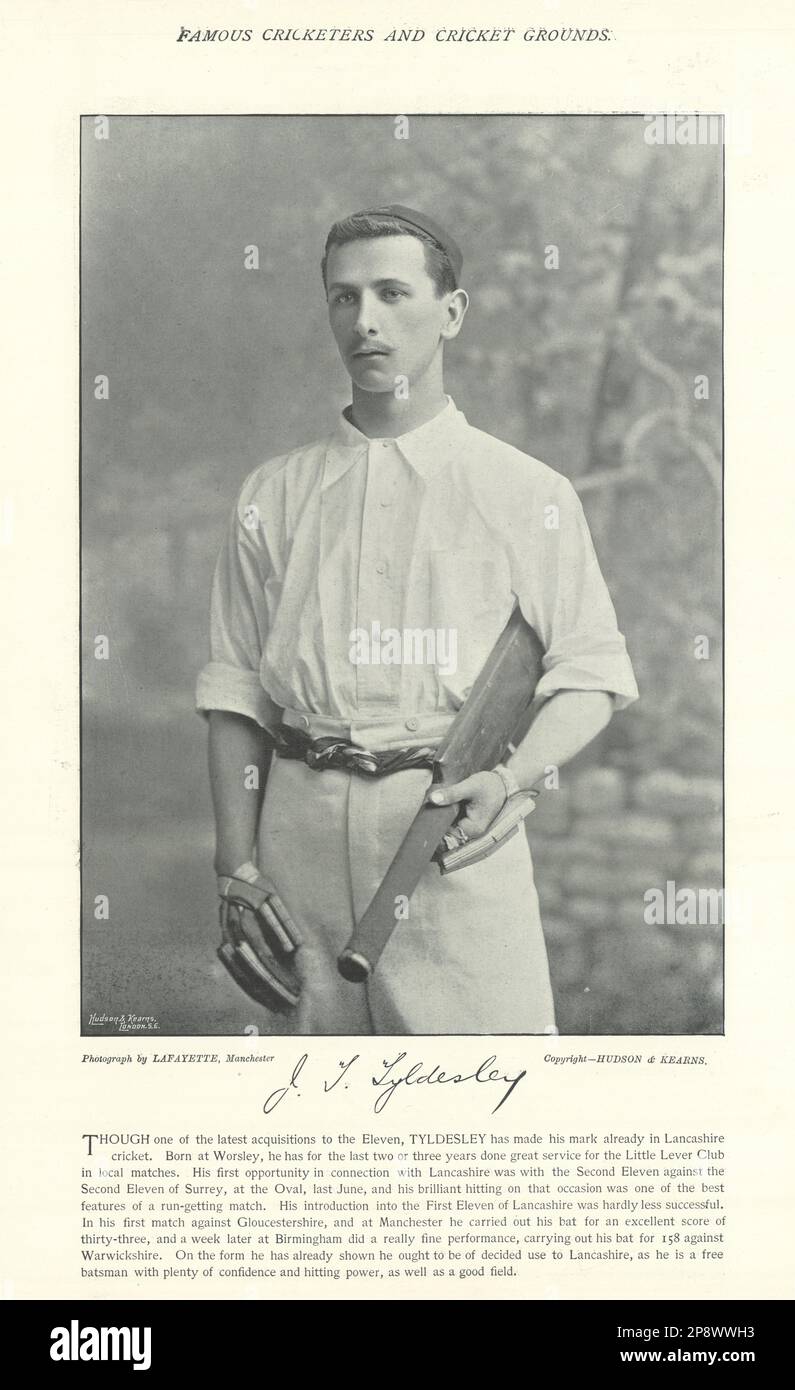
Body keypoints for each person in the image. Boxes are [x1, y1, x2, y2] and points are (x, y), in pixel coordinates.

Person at [195, 204, 639, 1035]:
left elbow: (590, 672)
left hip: (447, 834)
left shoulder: (525, 492)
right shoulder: (271, 494)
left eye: (393, 293)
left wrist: (508, 780)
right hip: (296, 840)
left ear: (451, 312)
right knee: (308, 1121)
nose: (364, 320)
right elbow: (235, 693)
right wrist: (235, 865)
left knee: (488, 1113)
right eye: (342, 297)